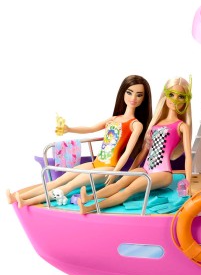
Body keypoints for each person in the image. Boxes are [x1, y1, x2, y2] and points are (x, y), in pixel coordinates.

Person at [8, 75, 152, 207]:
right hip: (96, 163)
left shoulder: (136, 125)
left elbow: (127, 152)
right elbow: (91, 128)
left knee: (69, 186)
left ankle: (26, 202)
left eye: (139, 95)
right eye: (129, 92)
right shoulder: (114, 118)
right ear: (123, 93)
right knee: (58, 181)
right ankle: (16, 197)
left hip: (109, 168)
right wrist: (69, 129)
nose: (133, 98)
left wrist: (115, 172)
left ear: (143, 99)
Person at [78, 77, 192, 214]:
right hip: (145, 169)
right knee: (119, 183)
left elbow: (188, 156)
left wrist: (188, 182)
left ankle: (89, 208)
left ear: (186, 100)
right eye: (171, 95)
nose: (175, 100)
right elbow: (144, 152)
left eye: (181, 97)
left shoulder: (182, 126)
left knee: (128, 190)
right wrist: (131, 171)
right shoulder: (156, 124)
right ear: (165, 96)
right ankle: (89, 197)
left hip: (163, 173)